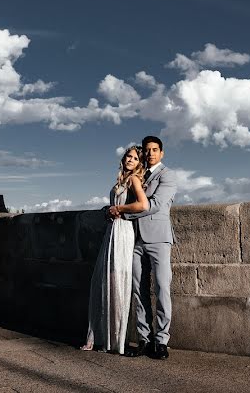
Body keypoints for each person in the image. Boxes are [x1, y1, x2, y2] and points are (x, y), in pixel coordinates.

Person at [111, 135, 176, 360]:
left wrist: (123, 212)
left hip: (158, 239)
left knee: (162, 289)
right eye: (147, 150)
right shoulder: (138, 174)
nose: (150, 154)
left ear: (161, 153)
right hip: (135, 239)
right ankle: (144, 339)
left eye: (154, 150)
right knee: (138, 291)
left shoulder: (168, 175)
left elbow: (154, 205)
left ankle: (162, 341)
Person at [81, 145, 150, 354]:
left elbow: (143, 205)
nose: (130, 160)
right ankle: (105, 339)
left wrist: (119, 208)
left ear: (139, 163)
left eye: (135, 158)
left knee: (117, 282)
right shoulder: (120, 180)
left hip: (123, 232)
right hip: (112, 231)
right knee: (105, 282)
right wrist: (108, 211)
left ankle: (116, 341)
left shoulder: (134, 179)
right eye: (128, 156)